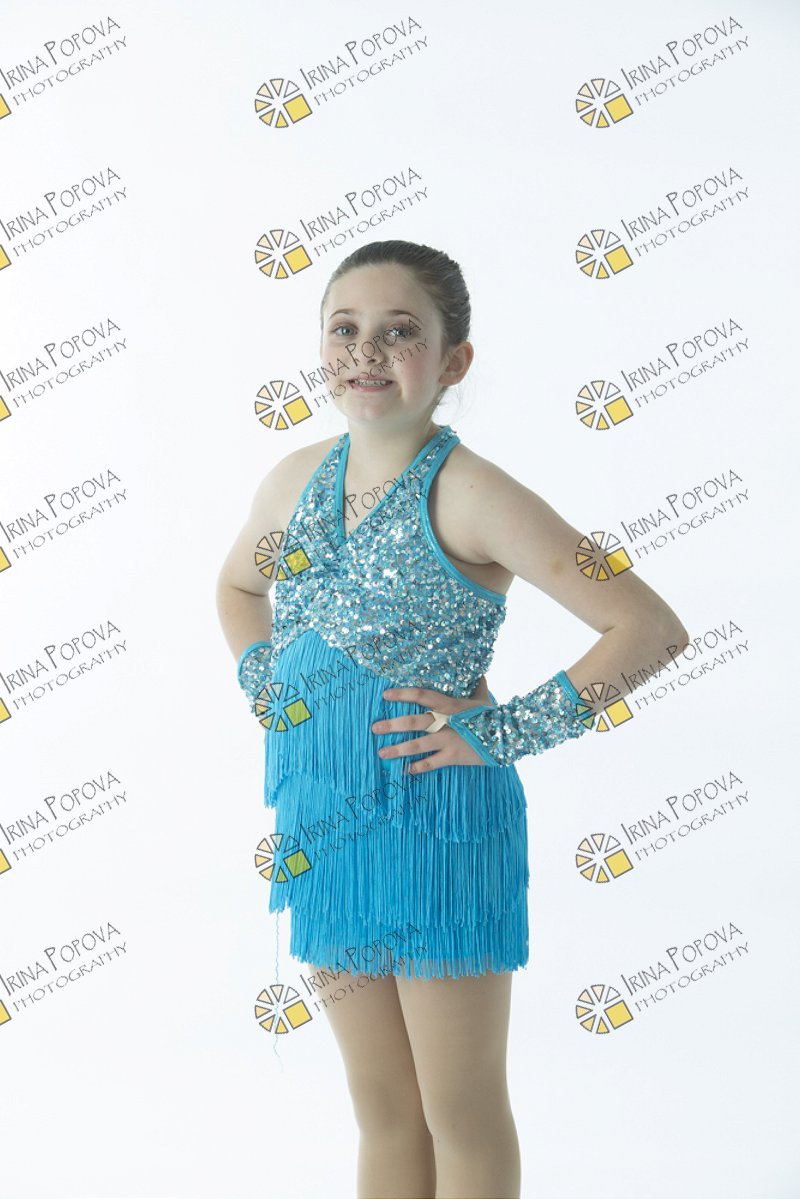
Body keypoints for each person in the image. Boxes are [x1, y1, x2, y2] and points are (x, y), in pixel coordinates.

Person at [216, 239, 690, 1199]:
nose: (366, 351)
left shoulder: (473, 493)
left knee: (459, 1111)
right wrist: (266, 680)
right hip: (324, 829)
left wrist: (502, 731)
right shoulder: (291, 479)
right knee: (383, 1109)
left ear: (453, 360)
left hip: (440, 829)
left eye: (401, 332)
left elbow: (647, 627)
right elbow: (236, 586)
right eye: (344, 328)